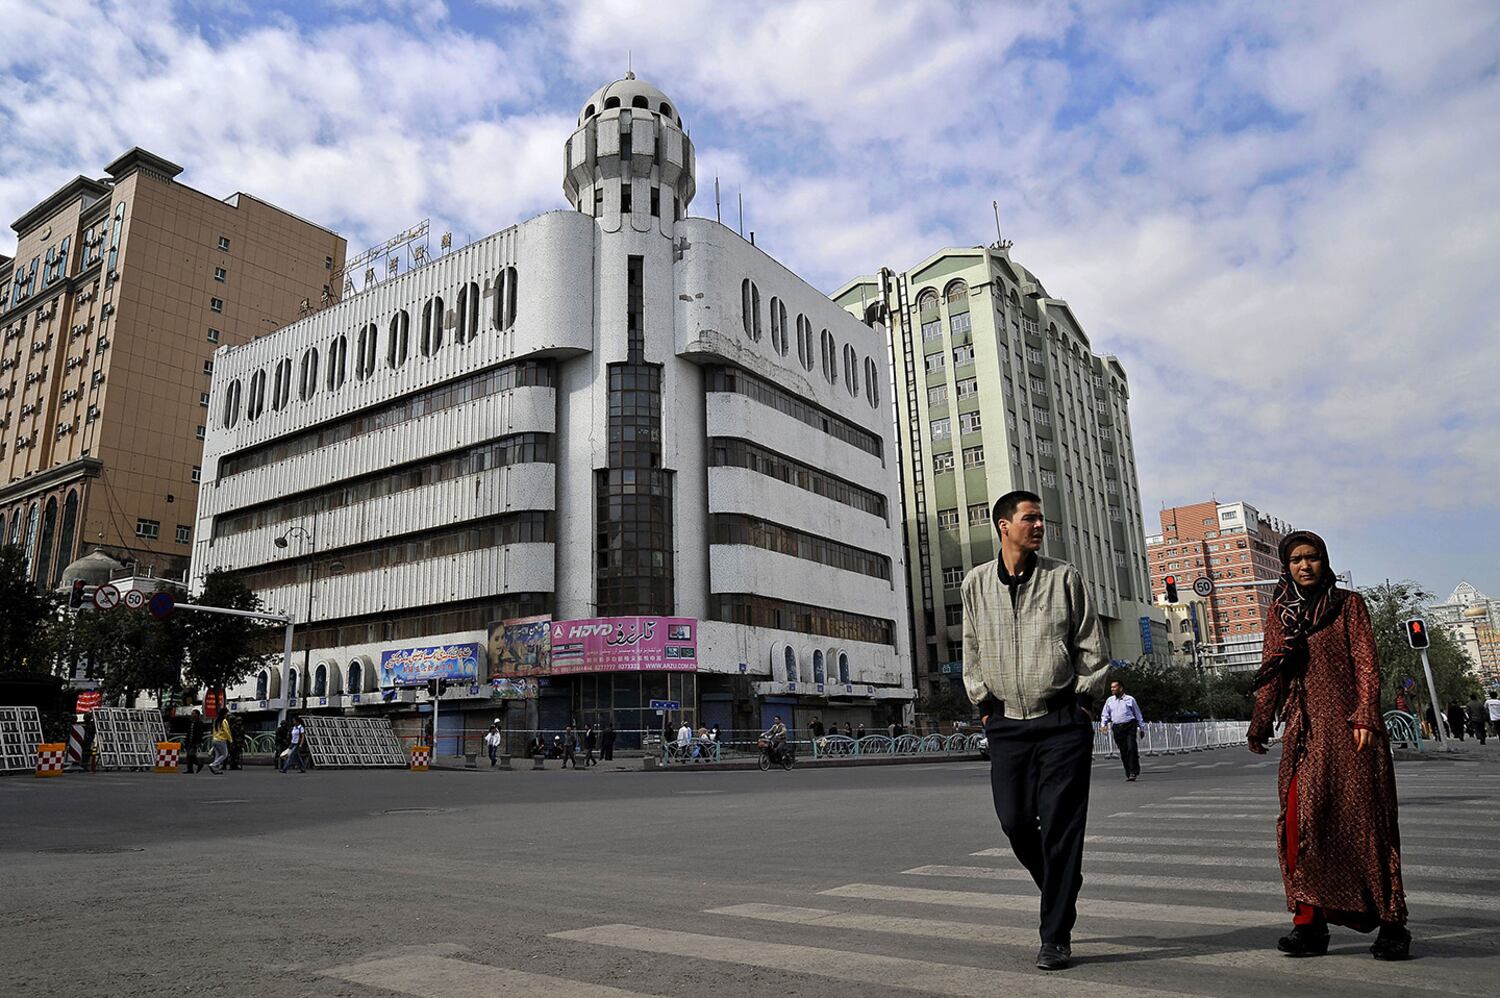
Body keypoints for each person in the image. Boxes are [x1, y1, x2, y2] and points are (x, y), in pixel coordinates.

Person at [962, 490, 1108, 972]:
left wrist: (1084, 702)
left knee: (1062, 829)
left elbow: (1090, 644)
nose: (1039, 526)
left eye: (1041, 519)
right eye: (1030, 518)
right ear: (1004, 526)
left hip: (1062, 721)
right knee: (1015, 822)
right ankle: (1062, 886)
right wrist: (984, 705)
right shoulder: (976, 583)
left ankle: (1055, 935)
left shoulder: (1063, 577)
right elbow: (972, 649)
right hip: (1006, 723)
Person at [1248, 530, 1409, 960]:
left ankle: (1393, 923)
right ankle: (1309, 926)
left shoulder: (1348, 605)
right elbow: (1271, 673)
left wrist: (1365, 715)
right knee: (1302, 826)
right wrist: (1260, 725)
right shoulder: (1279, 613)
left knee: (1368, 826)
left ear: (1324, 561)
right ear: (1286, 566)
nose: (1304, 566)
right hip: (1304, 735)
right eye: (1296, 559)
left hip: (1353, 733)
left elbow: (1367, 664)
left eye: (1312, 557)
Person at [1100, 679, 1147, 782]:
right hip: (1117, 727)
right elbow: (1105, 714)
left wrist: (1141, 728)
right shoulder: (1110, 700)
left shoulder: (1130, 699)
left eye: (1114, 687)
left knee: (1131, 748)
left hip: (1129, 725)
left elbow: (1138, 714)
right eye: (1111, 687)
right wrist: (1103, 725)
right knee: (1124, 750)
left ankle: (1133, 772)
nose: (1112, 689)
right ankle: (1128, 771)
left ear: (1120, 688)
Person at [185, 710, 205, 775]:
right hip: (189, 740)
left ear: (197, 715)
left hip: (194, 741)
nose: (192, 715)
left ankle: (199, 764)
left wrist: (198, 742)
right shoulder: (190, 722)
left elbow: (200, 734)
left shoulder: (199, 723)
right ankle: (190, 769)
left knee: (191, 755)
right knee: (189, 755)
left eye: (193, 714)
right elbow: (188, 732)